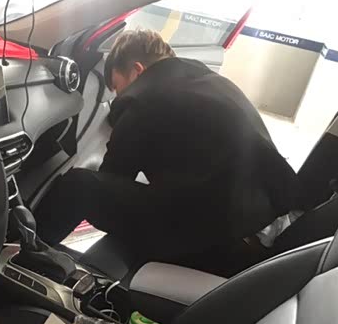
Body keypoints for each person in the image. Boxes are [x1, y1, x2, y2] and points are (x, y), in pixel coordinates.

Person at [34, 29, 301, 264]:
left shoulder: (143, 99)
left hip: (216, 234)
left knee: (79, 186)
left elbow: (112, 176)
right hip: (263, 222)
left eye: (118, 88)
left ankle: (27, 254)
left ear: (137, 71)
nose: (118, 98)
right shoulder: (209, 81)